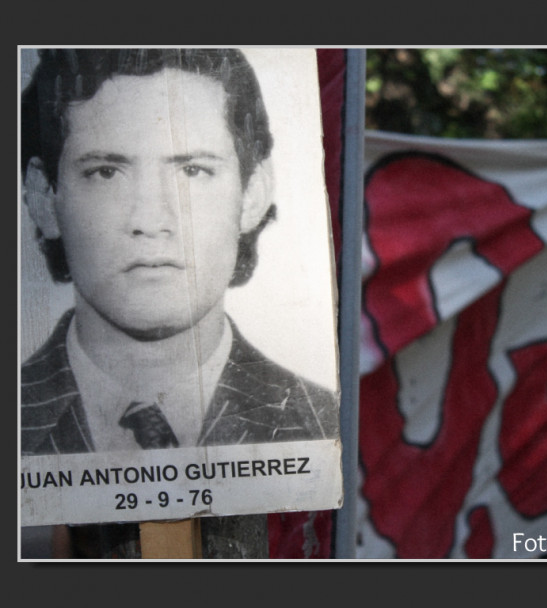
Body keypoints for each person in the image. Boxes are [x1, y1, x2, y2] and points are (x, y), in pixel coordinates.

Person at [19, 48, 339, 557]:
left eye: (192, 170)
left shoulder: (319, 421)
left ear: (253, 192)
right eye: (106, 171)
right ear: (44, 196)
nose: (152, 218)